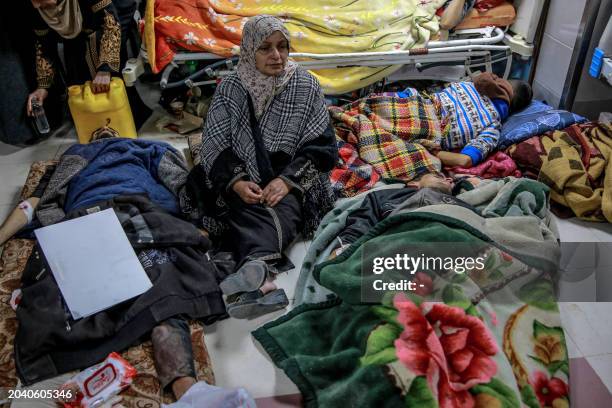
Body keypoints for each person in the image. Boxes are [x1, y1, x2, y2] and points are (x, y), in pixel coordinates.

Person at [195, 15, 337, 319]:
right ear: (249, 51)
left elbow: (323, 148)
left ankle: (256, 274)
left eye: (282, 47)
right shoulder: (231, 87)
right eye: (265, 48)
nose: (277, 56)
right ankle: (260, 278)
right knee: (239, 203)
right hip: (243, 174)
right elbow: (214, 145)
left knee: (283, 207)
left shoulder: (305, 84)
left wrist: (287, 181)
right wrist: (236, 182)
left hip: (291, 175)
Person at [402, 73, 533, 169]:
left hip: (404, 103)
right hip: (418, 134)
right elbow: (464, 160)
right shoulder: (492, 127)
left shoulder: (468, 85)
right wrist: (429, 151)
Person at [26, 0, 122, 117]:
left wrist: (105, 69)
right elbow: (44, 46)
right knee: (81, 97)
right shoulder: (37, 8)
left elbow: (110, 24)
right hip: (75, 41)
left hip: (108, 27)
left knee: (114, 95)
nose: (35, 5)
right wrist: (43, 86)